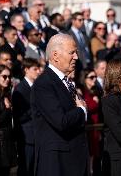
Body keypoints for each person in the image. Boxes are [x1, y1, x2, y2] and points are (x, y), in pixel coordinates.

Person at [30, 34, 88, 176]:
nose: (76, 57)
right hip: (56, 164)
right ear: (55, 55)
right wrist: (82, 110)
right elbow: (61, 121)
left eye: (76, 53)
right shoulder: (44, 84)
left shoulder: (66, 82)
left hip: (72, 161)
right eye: (71, 53)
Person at [12, 58, 41, 176]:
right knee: (26, 168)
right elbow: (20, 115)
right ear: (26, 70)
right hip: (26, 137)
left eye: (38, 68)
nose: (38, 71)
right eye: (35, 69)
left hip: (37, 135)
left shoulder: (37, 87)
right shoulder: (20, 89)